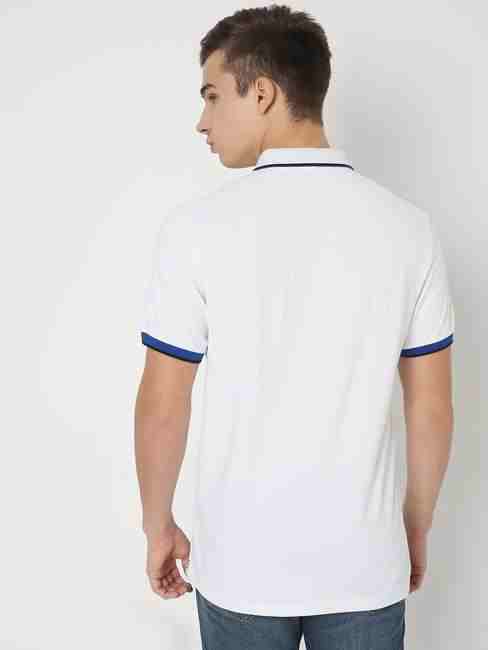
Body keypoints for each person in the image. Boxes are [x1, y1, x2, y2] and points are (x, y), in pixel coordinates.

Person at [134, 5, 455, 649]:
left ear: (263, 93)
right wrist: (414, 526)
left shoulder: (195, 230)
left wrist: (157, 524)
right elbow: (431, 406)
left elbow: (164, 403)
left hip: (241, 567)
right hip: (364, 566)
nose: (202, 120)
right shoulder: (409, 229)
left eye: (212, 96)